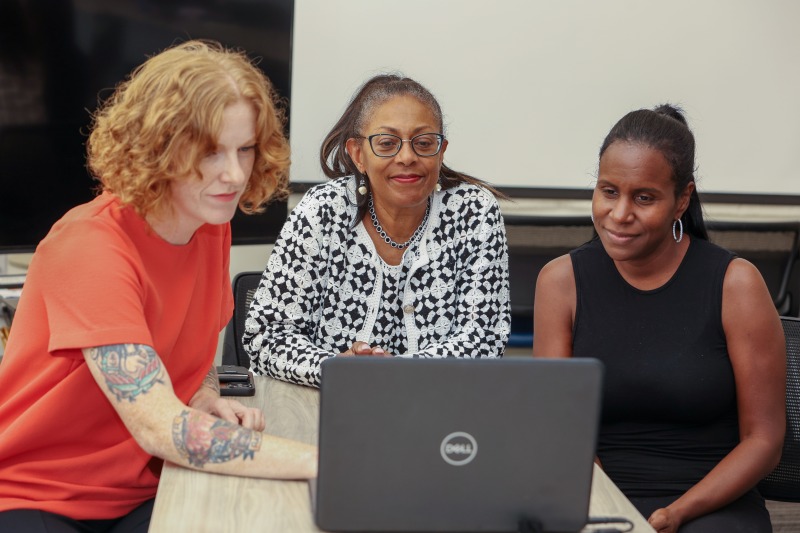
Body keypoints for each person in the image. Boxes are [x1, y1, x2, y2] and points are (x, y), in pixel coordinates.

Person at [0, 40, 316, 532]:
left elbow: (191, 357)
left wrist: (204, 395)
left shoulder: (210, 223)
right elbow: (160, 428)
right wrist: (326, 461)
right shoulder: (90, 246)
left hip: (145, 486)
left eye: (245, 148)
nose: (233, 174)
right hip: (41, 493)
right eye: (210, 152)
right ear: (160, 146)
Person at [533, 104, 785, 532]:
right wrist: (608, 515)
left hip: (711, 504)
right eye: (608, 190)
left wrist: (677, 514)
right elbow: (562, 431)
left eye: (643, 197)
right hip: (596, 497)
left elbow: (764, 440)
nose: (620, 213)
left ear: (681, 200)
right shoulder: (561, 282)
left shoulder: (735, 284)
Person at [243, 74, 510, 388]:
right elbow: (267, 337)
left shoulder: (473, 213)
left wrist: (392, 373)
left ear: (441, 151)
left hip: (438, 410)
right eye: (387, 143)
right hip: (325, 410)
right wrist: (334, 367)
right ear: (358, 154)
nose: (407, 157)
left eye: (424, 143)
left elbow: (484, 340)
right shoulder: (321, 211)